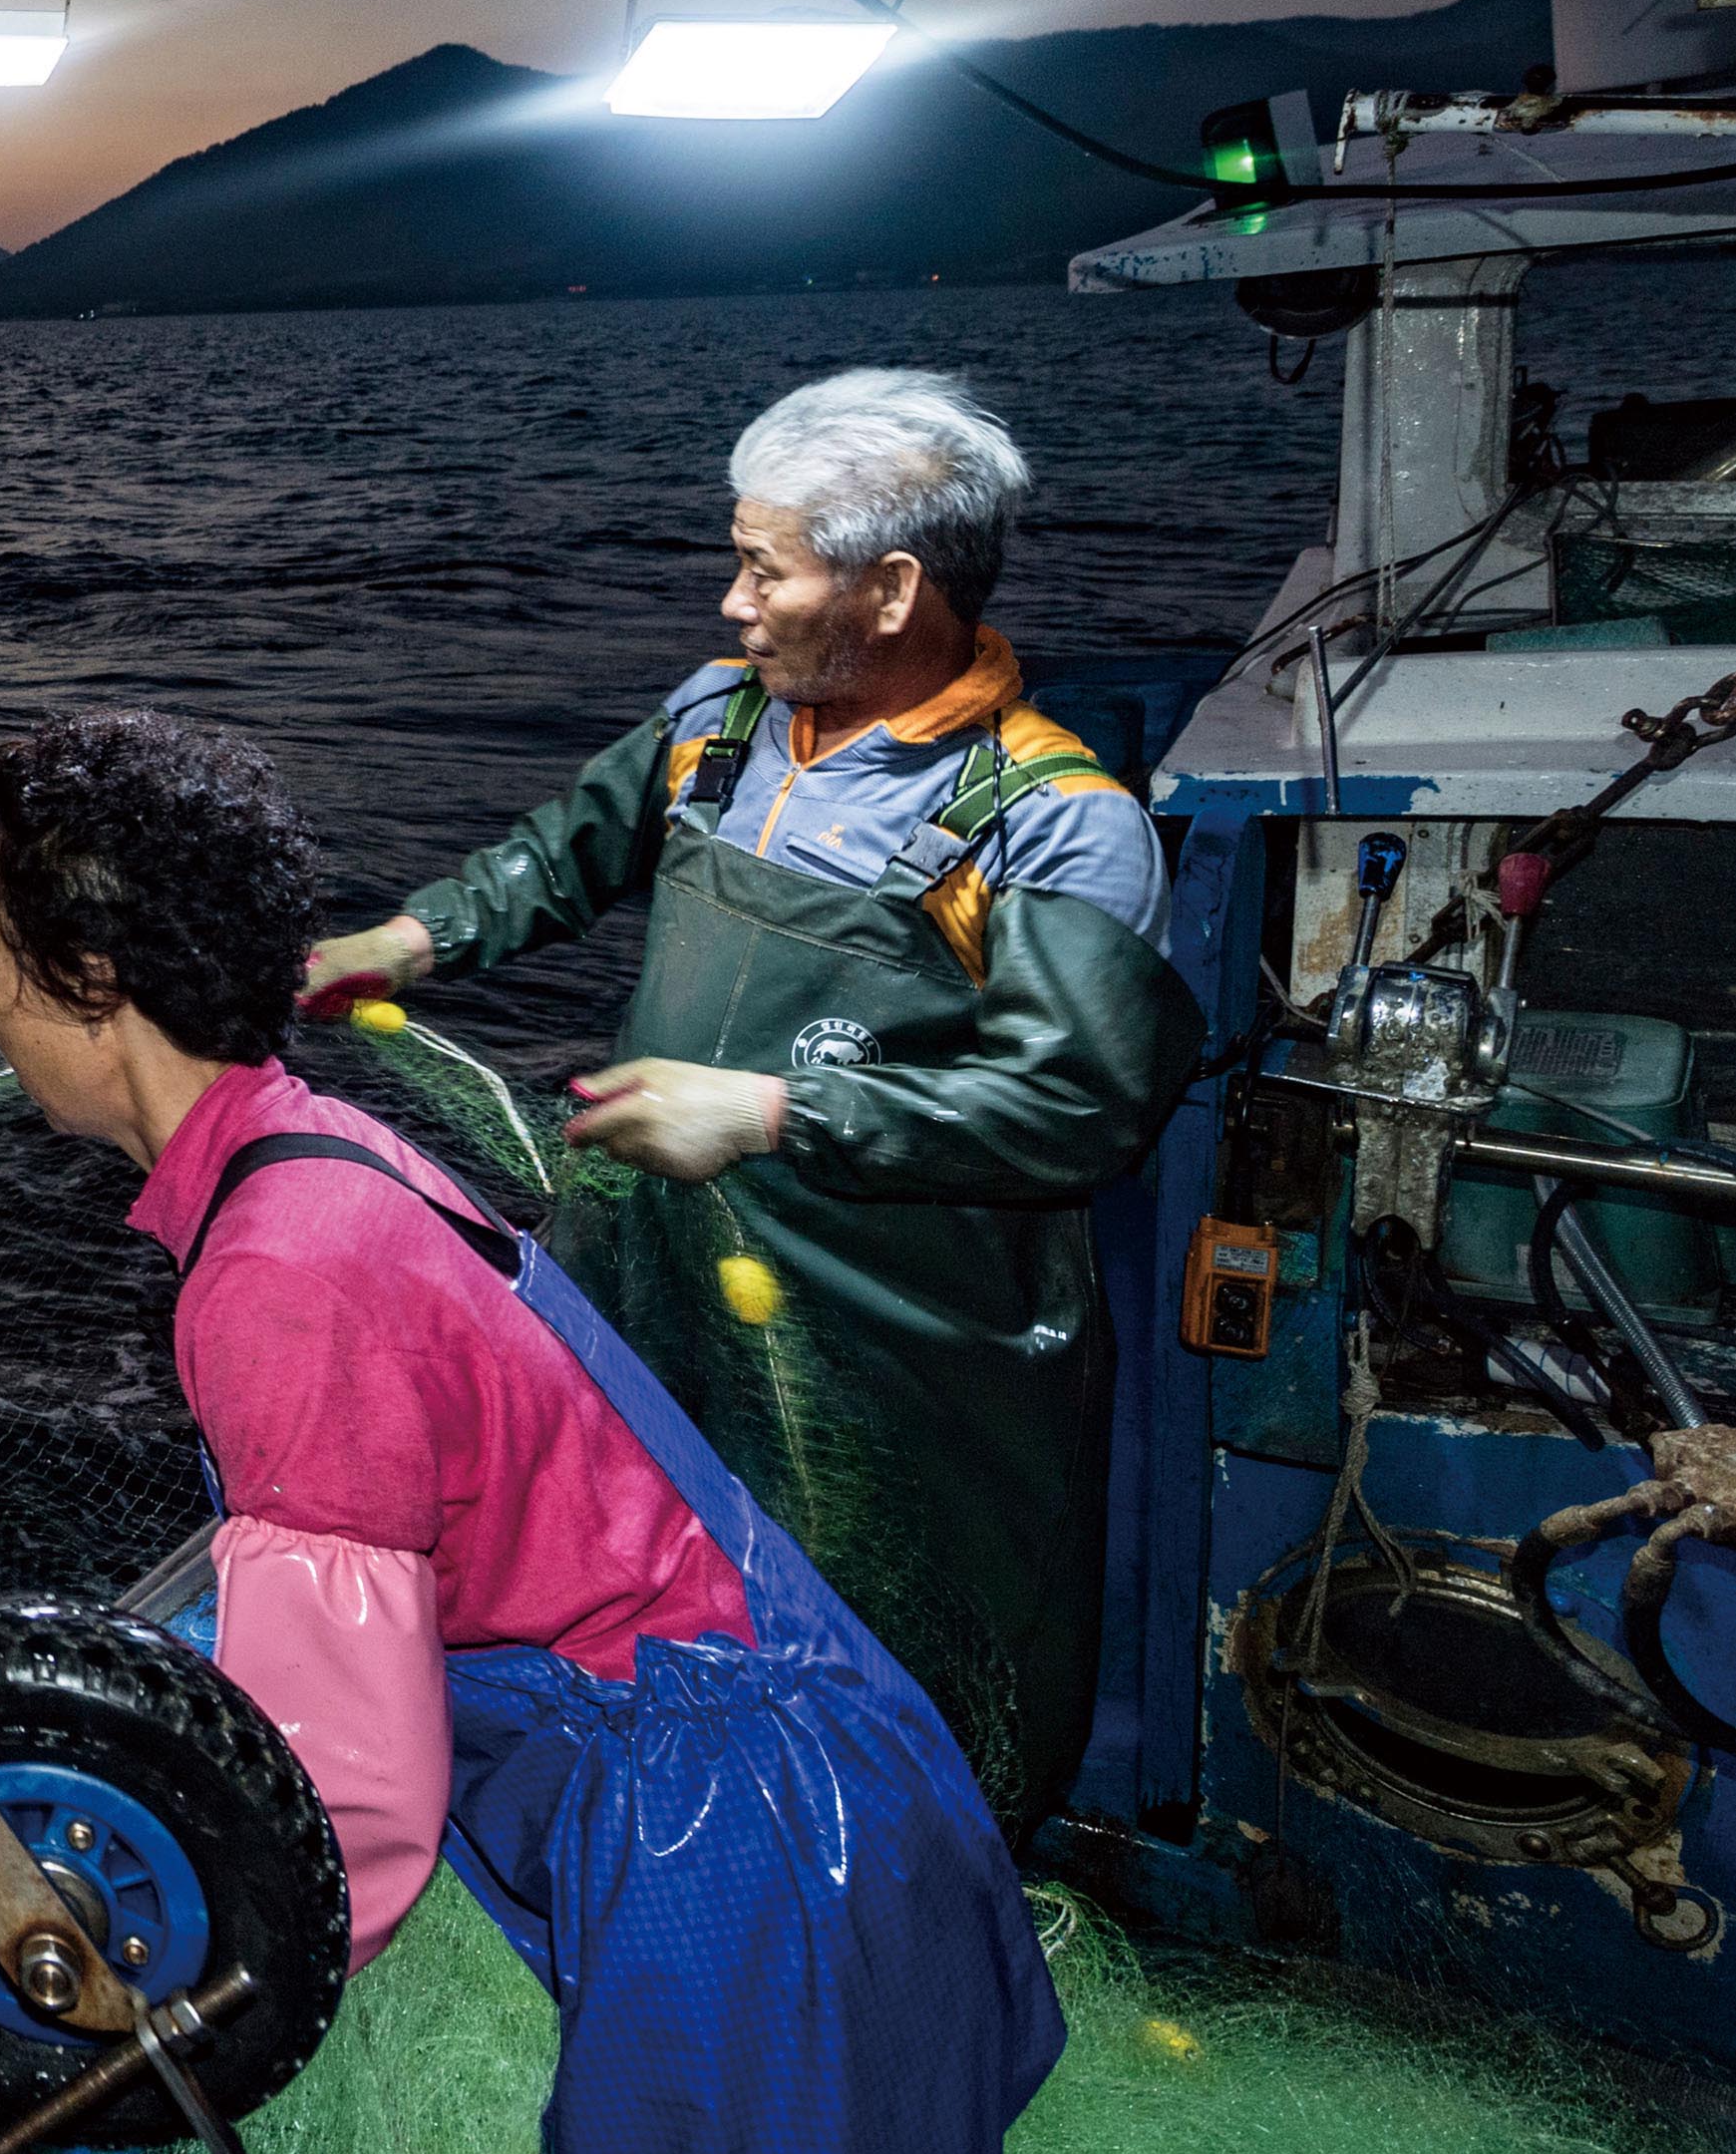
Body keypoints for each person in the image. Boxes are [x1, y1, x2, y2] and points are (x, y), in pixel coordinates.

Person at [0, 707, 1055, 2154]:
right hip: (827, 1775)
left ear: (89, 986)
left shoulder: (273, 1272)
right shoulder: (321, 1144)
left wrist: (131, 2000)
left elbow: (341, 1796)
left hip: (739, 1877)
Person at [303, 367, 1201, 1829]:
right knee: (642, 1570)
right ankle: (678, 1844)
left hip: (900, 1340)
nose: (730, 602)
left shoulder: (1054, 823)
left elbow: (1077, 1109)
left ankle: (914, 1888)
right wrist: (398, 942)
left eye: (761, 568)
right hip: (661, 1275)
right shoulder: (717, 725)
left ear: (891, 589)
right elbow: (563, 854)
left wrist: (770, 1116)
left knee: (896, 1628)